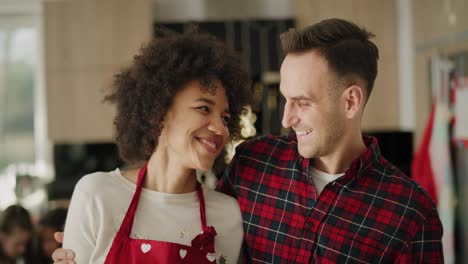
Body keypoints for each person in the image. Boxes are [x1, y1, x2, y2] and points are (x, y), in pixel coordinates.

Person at [53, 18, 444, 263]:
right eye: (286, 100)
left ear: (351, 100)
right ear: (158, 111)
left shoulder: (410, 213)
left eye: (302, 102)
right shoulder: (255, 165)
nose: (287, 119)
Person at [54, 29, 251, 263]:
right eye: (203, 108)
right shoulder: (97, 195)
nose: (220, 129)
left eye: (226, 118)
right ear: (159, 113)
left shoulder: (228, 216)